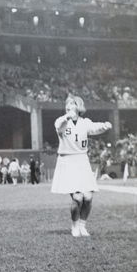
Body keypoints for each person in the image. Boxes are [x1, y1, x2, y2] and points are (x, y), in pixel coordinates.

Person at [51, 95, 112, 237]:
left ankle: (83, 226)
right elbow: (58, 124)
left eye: (72, 103)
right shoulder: (63, 122)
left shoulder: (85, 122)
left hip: (82, 161)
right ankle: (74, 226)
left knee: (88, 198)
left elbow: (94, 128)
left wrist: (104, 125)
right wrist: (67, 116)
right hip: (67, 162)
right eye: (67, 103)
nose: (69, 105)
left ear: (78, 106)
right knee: (78, 198)